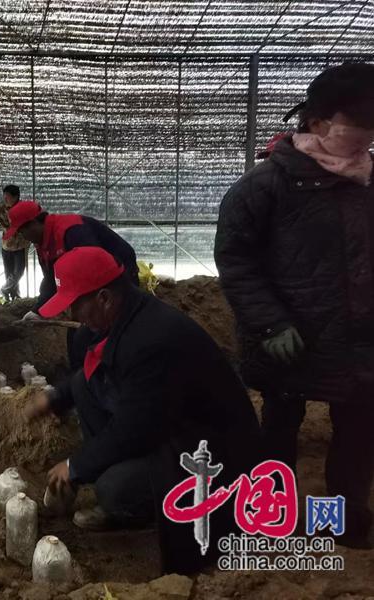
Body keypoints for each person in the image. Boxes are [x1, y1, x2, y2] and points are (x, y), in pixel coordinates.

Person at [215, 62, 374, 548]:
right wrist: (269, 323)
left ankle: (342, 520)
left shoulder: (366, 181)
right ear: (319, 122)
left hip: (358, 339)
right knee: (281, 427)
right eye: (359, 123)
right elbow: (235, 258)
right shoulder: (265, 186)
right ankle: (272, 513)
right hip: (289, 338)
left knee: (357, 430)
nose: (367, 134)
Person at [27, 247, 260, 574]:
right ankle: (126, 479)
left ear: (105, 298)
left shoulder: (151, 341)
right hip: (173, 423)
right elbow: (92, 374)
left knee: (113, 489)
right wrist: (56, 398)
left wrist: (75, 465)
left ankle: (140, 508)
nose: (75, 314)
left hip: (211, 452)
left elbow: (135, 429)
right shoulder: (126, 317)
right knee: (83, 386)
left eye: (77, 304)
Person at [5, 201, 139, 367]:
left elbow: (95, 268)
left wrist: (88, 310)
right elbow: (51, 279)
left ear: (34, 223)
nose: (23, 237)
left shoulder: (72, 231)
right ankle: (79, 374)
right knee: (79, 334)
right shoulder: (42, 243)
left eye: (22, 231)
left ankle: (108, 372)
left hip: (117, 276)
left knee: (109, 330)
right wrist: (38, 310)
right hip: (90, 287)